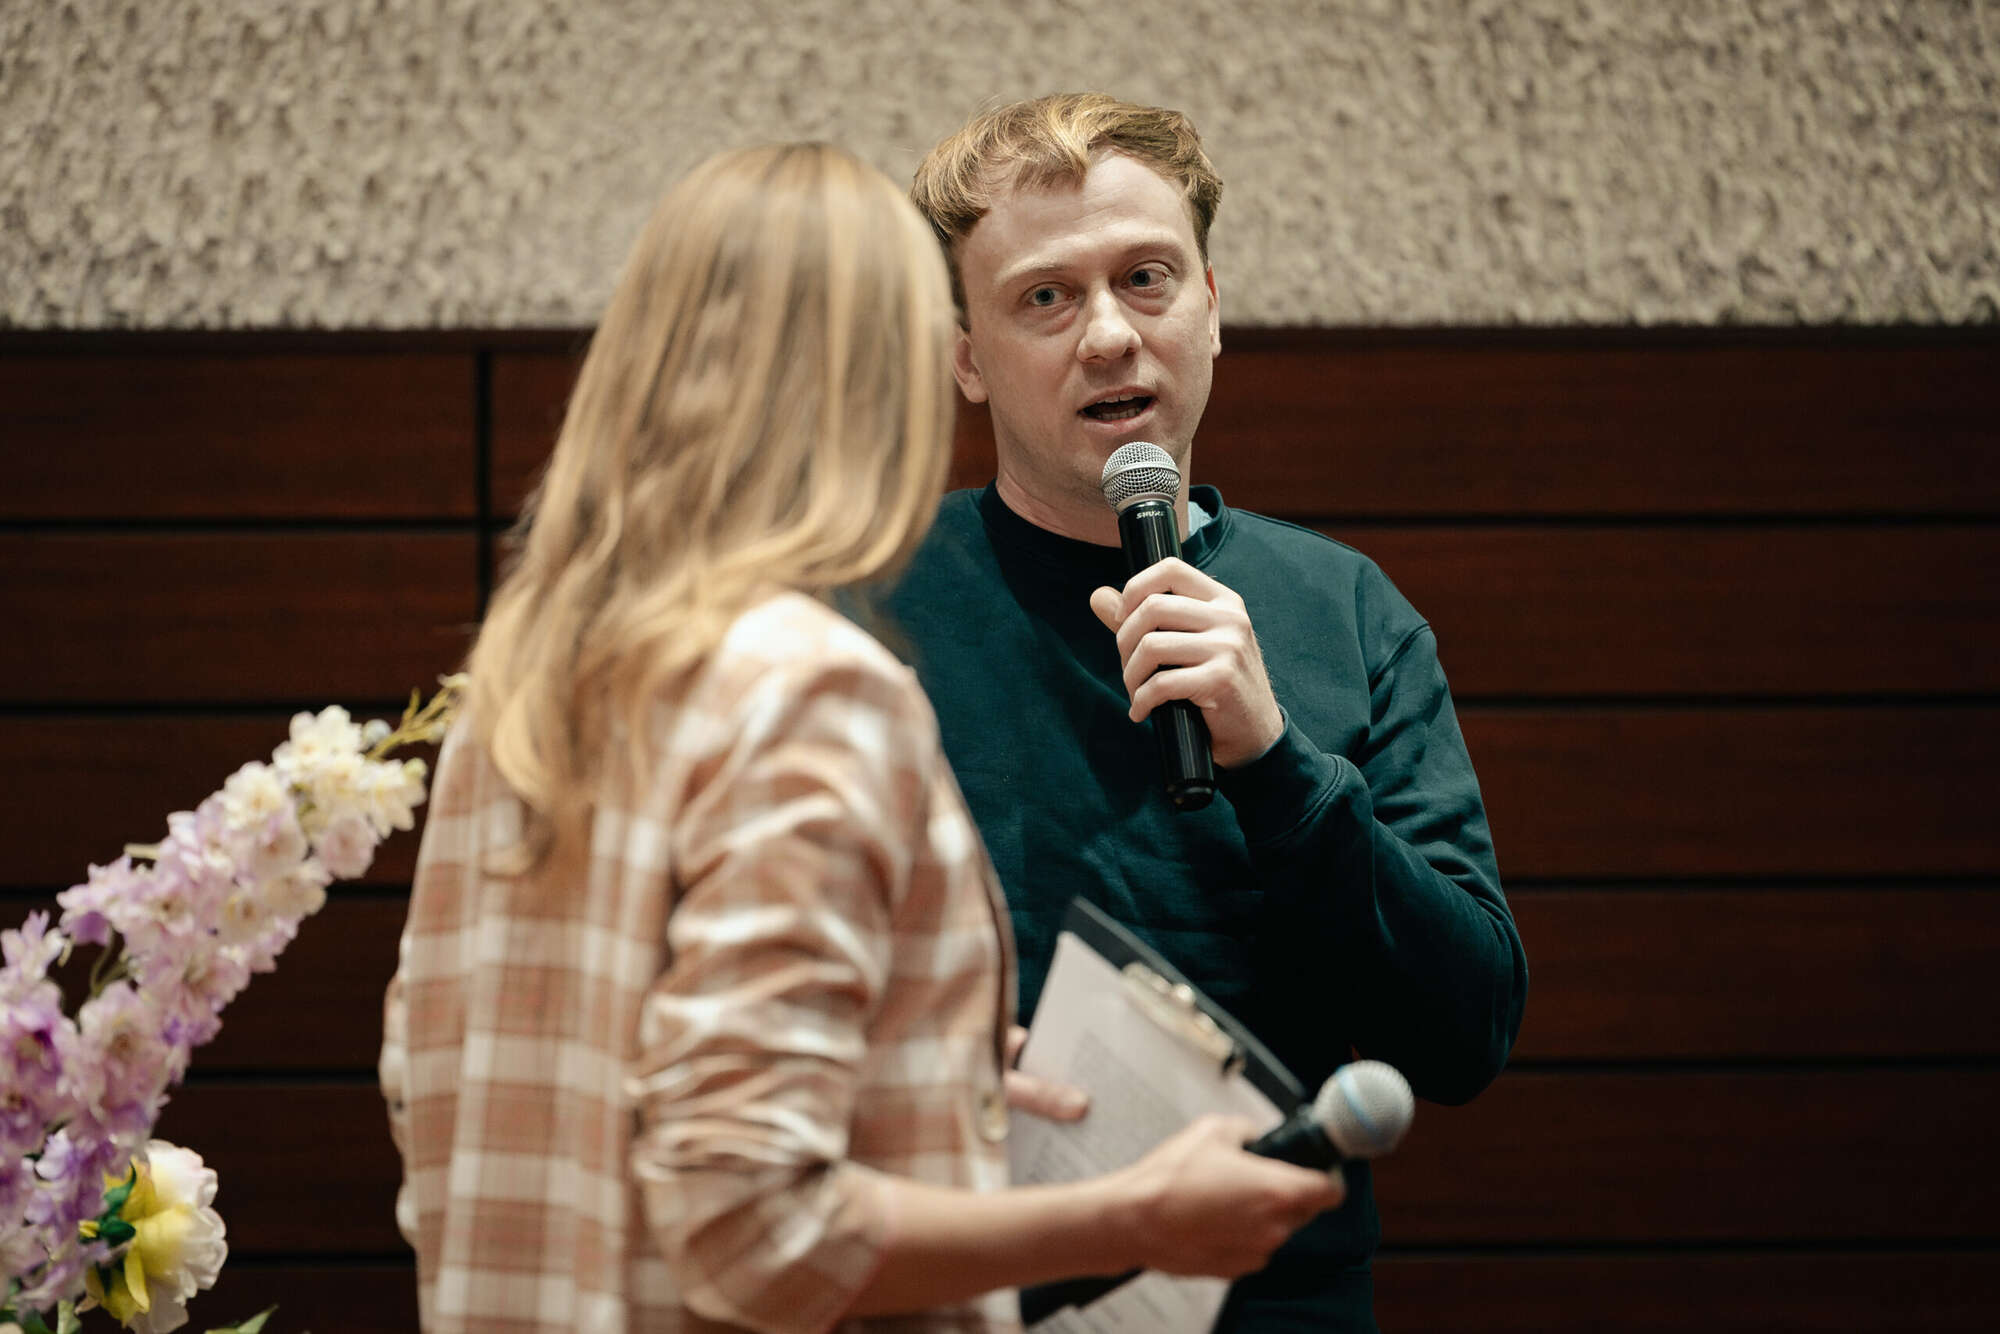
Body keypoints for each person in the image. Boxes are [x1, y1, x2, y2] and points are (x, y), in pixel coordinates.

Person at [377, 142, 1343, 1334]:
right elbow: (753, 1231)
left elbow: (439, 1102)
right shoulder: (808, 687)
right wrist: (1134, 1216)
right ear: (889, 372)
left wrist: (914, 1082)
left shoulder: (525, 681)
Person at [887, 95, 1531, 1330]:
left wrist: (1276, 761)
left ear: (1211, 306)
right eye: (1045, 297)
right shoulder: (868, 613)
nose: (1109, 335)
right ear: (965, 356)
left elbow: (1464, 1032)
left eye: (1146, 278)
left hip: (1275, 1301)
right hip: (964, 1286)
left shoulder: (1347, 611)